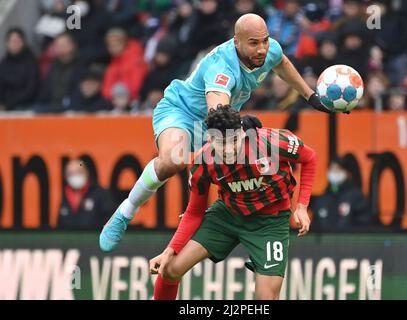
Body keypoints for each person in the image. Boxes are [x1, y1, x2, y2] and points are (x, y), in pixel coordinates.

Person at [99, 13, 333, 253]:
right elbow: (218, 114)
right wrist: (238, 128)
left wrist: (310, 96)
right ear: (236, 42)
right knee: (174, 160)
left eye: (264, 40)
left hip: (221, 122)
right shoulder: (221, 70)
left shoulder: (268, 49)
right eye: (253, 43)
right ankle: (125, 212)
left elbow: (281, 62)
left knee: (237, 160)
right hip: (183, 112)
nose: (262, 49)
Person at [149, 105, 317, 300]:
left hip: (270, 222)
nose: (229, 150)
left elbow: (310, 158)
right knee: (169, 268)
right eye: (221, 143)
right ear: (210, 139)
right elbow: (194, 211)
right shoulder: (202, 162)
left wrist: (302, 206)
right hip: (228, 215)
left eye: (234, 140)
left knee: (266, 297)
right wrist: (170, 250)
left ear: (243, 133)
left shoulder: (271, 142)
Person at [310, 157, 371, 229]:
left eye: (338, 169)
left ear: (346, 172)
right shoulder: (321, 199)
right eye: (332, 169)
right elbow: (314, 227)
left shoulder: (357, 197)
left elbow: (364, 226)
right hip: (326, 240)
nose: (334, 172)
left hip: (348, 239)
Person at [58, 159, 115, 229]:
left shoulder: (101, 194)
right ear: (65, 177)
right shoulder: (64, 196)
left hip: (96, 238)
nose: (75, 176)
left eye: (78, 172)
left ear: (86, 172)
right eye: (71, 173)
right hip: (69, 239)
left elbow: (111, 221)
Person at [0, 27, 39, 111]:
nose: (14, 44)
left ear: (23, 43)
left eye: (17, 41)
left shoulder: (31, 62)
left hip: (23, 105)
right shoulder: (4, 62)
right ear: (7, 43)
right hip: (3, 105)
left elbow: (30, 91)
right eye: (11, 41)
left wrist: (8, 105)